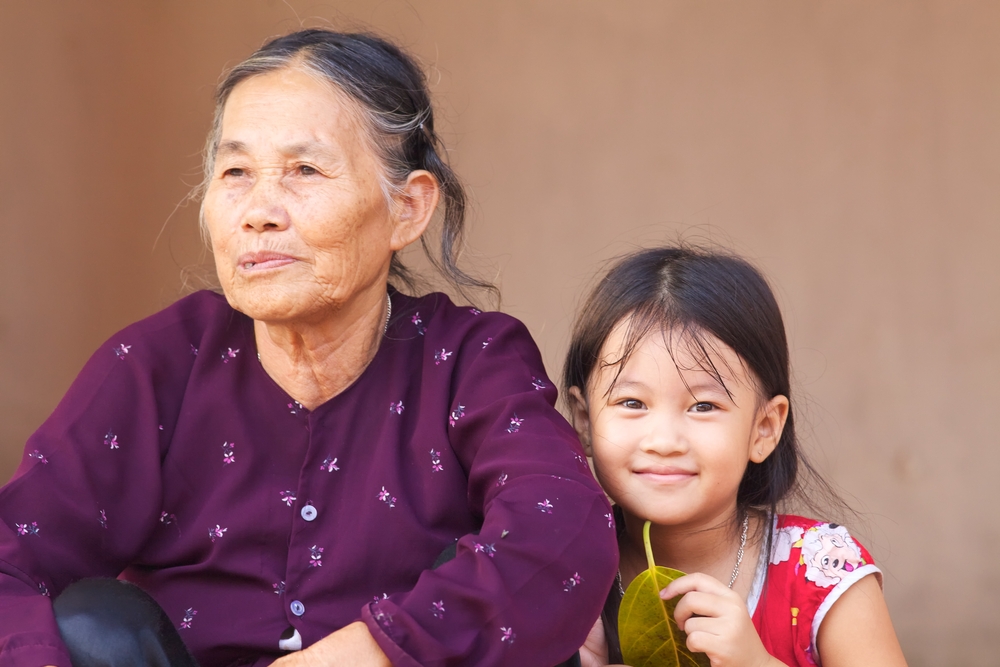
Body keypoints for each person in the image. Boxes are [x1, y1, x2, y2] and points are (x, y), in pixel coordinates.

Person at [0, 29, 617, 667]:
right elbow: (10, 558)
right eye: (236, 172)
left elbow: (562, 533)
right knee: (94, 623)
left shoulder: (469, 363)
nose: (259, 211)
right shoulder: (155, 368)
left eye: (304, 170)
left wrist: (377, 650)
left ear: (407, 208)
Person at [562, 246, 907, 666]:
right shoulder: (561, 567)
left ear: (764, 429)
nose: (664, 440)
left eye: (703, 406)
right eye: (632, 403)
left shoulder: (822, 569)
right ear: (584, 421)